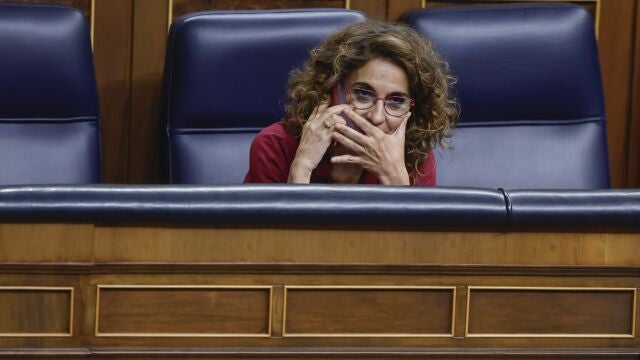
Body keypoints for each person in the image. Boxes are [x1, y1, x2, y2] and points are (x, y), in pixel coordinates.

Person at [244, 20, 458, 185]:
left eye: (396, 101)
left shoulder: (414, 156)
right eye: (363, 94)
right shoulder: (275, 146)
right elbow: (274, 242)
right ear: (331, 90)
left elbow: (414, 244)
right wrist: (301, 168)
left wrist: (396, 181)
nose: (376, 117)